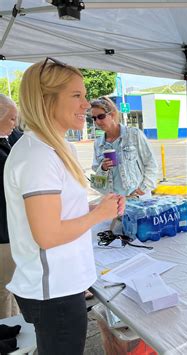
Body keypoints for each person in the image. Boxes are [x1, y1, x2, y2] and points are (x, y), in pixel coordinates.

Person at [4, 58, 125, 354]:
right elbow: (47, 235)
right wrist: (99, 214)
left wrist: (95, 206)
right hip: (53, 292)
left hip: (61, 285)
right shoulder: (38, 155)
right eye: (76, 95)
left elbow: (59, 212)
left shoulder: (54, 148)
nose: (86, 104)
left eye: (84, 95)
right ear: (47, 100)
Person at [91, 96, 158, 198]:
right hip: (113, 202)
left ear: (112, 115)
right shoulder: (98, 143)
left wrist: (144, 188)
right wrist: (103, 168)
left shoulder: (134, 134)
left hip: (137, 200)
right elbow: (97, 176)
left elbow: (151, 163)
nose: (97, 122)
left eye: (101, 116)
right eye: (94, 118)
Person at [0, 94, 20, 318]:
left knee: (10, 289)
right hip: (2, 234)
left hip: (8, 231)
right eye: (12, 119)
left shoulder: (8, 139)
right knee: (4, 292)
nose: (15, 124)